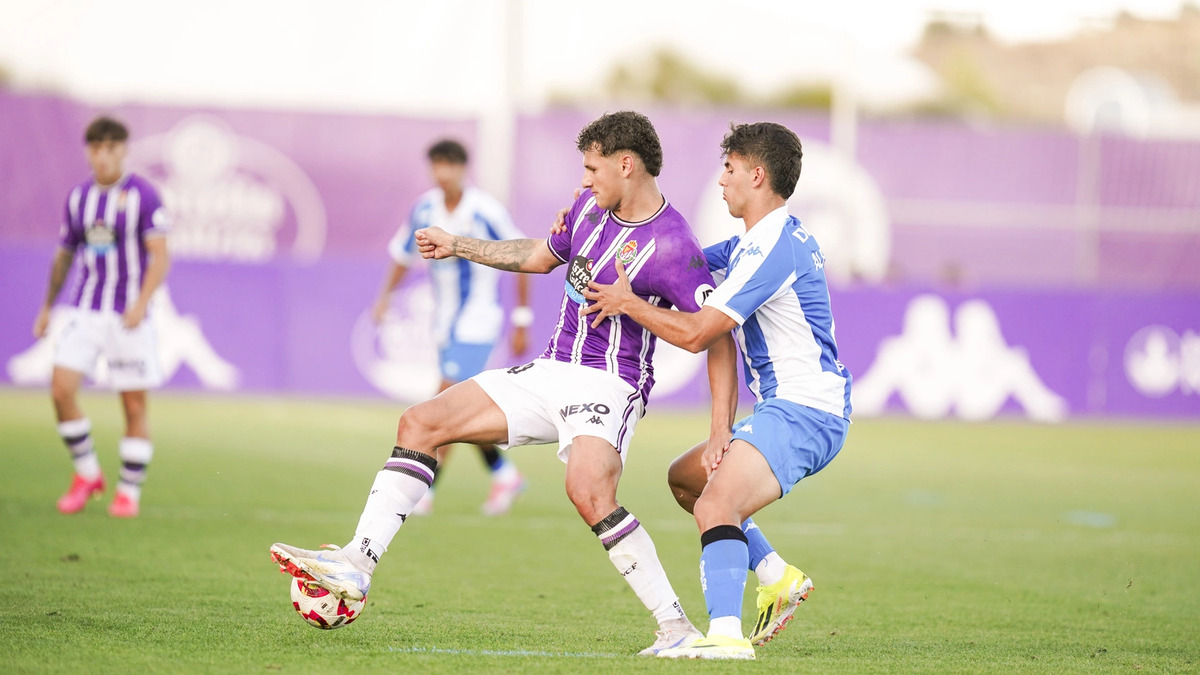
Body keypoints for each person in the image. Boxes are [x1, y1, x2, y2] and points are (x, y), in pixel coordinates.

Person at [270, 111, 734, 655]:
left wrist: (719, 427)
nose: (585, 180)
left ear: (625, 164)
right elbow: (539, 256)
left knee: (589, 491)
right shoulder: (588, 207)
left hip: (610, 382)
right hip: (549, 369)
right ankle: (356, 562)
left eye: (592, 168)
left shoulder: (675, 244)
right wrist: (456, 244)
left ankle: (675, 628)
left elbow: (714, 336)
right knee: (420, 422)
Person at [580, 122, 852, 660]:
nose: (721, 181)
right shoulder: (757, 240)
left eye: (729, 169)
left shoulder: (772, 247)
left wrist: (629, 303)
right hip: (791, 407)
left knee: (717, 504)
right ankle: (775, 574)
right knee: (687, 481)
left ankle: (726, 636)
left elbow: (702, 332)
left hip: (806, 411)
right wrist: (608, 218)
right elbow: (682, 260)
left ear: (757, 174)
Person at [372, 139, 530, 516]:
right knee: (463, 411)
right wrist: (385, 298)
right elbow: (401, 253)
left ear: (463, 169)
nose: (443, 173)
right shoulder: (425, 208)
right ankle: (503, 472)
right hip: (444, 324)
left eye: (450, 165)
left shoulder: (485, 210)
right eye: (437, 165)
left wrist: (522, 318)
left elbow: (523, 253)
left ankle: (423, 490)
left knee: (441, 407)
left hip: (477, 322)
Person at [32, 115, 172, 519]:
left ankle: (128, 491)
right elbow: (64, 256)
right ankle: (88, 473)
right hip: (85, 310)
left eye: (111, 147)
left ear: (123, 150)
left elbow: (160, 255)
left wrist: (142, 303)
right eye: (96, 148)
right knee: (61, 390)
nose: (103, 155)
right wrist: (46, 308)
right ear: (89, 151)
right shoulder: (79, 199)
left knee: (132, 405)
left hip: (128, 314)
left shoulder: (144, 195)